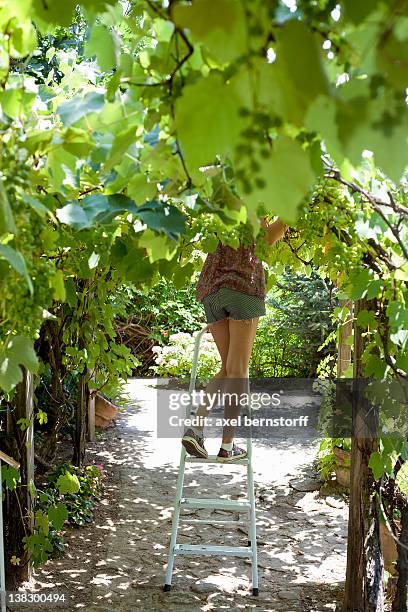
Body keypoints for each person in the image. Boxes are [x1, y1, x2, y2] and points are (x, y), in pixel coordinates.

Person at [181, 216, 289, 462]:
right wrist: (287, 216)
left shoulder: (222, 201)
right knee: (239, 370)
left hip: (212, 291)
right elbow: (265, 240)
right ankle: (227, 447)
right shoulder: (254, 199)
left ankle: (196, 428)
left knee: (229, 368)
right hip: (242, 288)